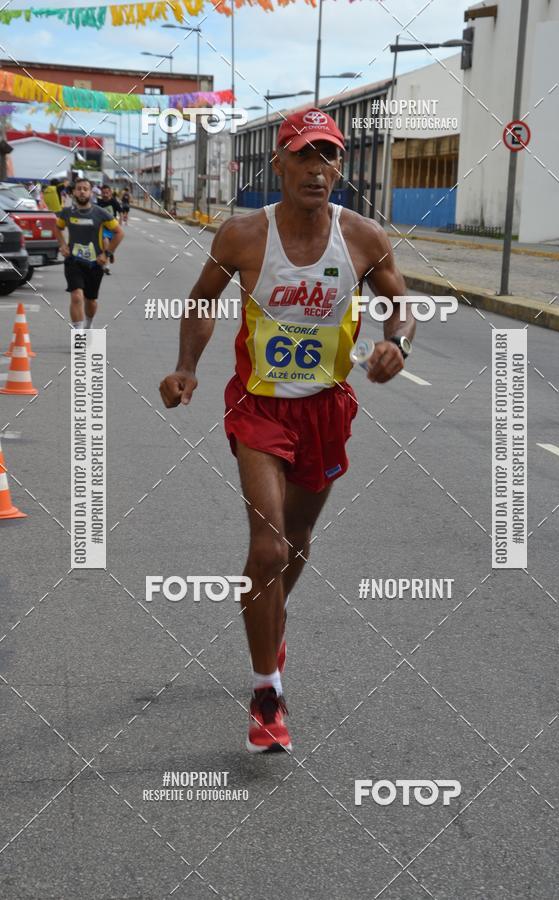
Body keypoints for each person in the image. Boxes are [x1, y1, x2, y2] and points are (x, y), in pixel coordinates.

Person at [159, 108, 416, 754]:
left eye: (329, 156)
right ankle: (267, 693)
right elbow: (200, 299)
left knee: (297, 540)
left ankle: (268, 619)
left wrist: (398, 345)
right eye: (304, 155)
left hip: (325, 410)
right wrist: (186, 367)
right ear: (278, 164)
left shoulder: (362, 237)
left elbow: (400, 305)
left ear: (339, 167)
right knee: (269, 547)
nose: (317, 168)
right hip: (260, 407)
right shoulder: (244, 235)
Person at [56, 178, 124, 330]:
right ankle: (79, 333)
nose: (82, 191)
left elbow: (119, 232)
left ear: (91, 192)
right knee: (76, 296)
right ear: (73, 192)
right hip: (74, 261)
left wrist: (107, 254)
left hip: (94, 264)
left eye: (85, 189)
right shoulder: (67, 212)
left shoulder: (100, 213)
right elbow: (57, 228)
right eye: (79, 188)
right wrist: (62, 244)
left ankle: (88, 324)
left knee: (90, 301)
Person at [96, 184, 122, 274]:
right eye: (103, 193)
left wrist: (120, 223)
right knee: (105, 242)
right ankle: (107, 266)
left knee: (109, 245)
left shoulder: (114, 202)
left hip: (113, 227)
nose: (105, 195)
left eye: (107, 193)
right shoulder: (99, 202)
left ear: (110, 193)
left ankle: (111, 253)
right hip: (103, 227)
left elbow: (120, 212)